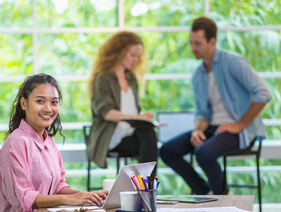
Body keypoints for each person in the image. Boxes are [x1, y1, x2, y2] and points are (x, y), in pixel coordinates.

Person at [160, 17, 271, 195]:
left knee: (203, 153)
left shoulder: (234, 62)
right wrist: (197, 130)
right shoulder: (198, 75)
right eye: (191, 42)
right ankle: (203, 191)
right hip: (212, 129)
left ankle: (222, 196)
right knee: (167, 151)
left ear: (212, 41)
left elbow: (264, 94)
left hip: (240, 131)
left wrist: (238, 125)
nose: (193, 48)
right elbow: (202, 113)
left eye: (197, 43)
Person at [0, 74, 108, 212]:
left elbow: (58, 186)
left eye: (54, 102)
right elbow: (22, 198)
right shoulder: (16, 143)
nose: (48, 108)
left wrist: (86, 196)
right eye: (40, 101)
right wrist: (70, 200)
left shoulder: (48, 140)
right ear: (24, 103)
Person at [87, 31, 158, 169]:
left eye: (137, 56)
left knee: (149, 134)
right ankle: (147, 186)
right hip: (112, 135)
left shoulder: (131, 79)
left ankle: (144, 185)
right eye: (132, 55)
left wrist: (143, 118)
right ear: (119, 52)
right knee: (149, 141)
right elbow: (107, 113)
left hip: (132, 132)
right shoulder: (103, 79)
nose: (135, 60)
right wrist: (138, 117)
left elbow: (133, 109)